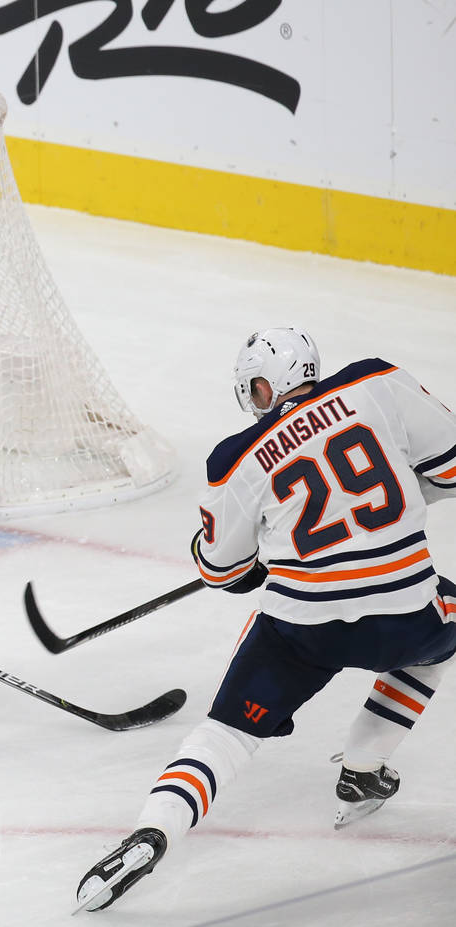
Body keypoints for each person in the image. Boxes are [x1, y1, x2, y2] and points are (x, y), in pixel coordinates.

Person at [73, 328, 456, 913]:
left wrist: (237, 560)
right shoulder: (376, 381)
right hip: (404, 613)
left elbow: (224, 570)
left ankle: (154, 830)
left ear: (264, 388)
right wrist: (404, 491)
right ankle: (364, 764)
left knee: (226, 733)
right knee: (443, 624)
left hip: (301, 628)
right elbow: (451, 467)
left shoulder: (236, 457)